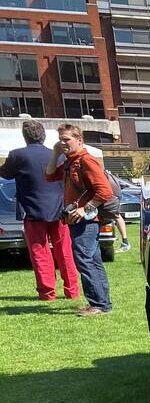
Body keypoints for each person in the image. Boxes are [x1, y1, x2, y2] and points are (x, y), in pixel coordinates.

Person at [0, 120, 78, 301]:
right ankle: (72, 290)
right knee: (64, 250)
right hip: (59, 209)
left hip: (33, 210)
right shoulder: (58, 155)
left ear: (25, 136)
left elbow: (5, 173)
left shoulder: (17, 155)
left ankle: (47, 292)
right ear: (43, 135)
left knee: (39, 251)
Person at [45, 123, 115, 316]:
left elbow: (105, 191)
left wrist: (85, 209)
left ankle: (98, 305)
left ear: (79, 140)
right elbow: (49, 176)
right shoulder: (70, 161)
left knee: (84, 260)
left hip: (87, 221)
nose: (62, 143)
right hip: (77, 220)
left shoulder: (86, 160)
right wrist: (55, 153)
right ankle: (101, 303)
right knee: (92, 260)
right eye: (60, 139)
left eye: (66, 139)